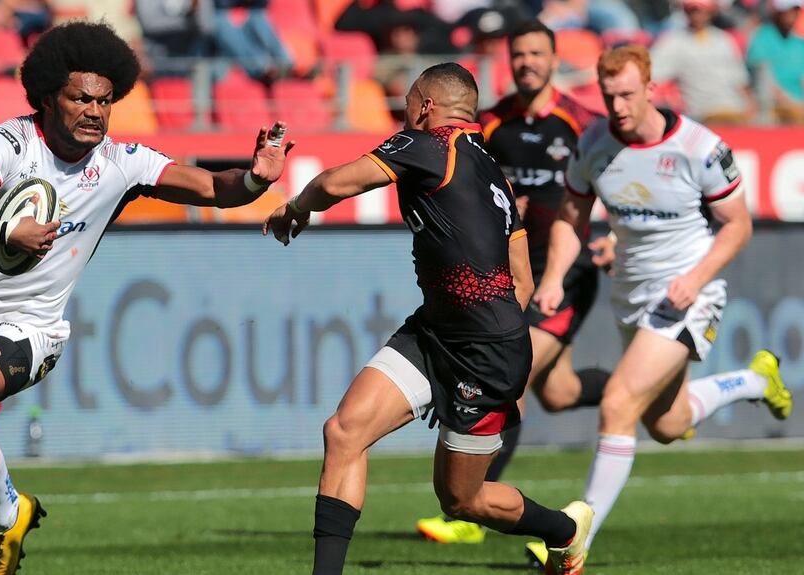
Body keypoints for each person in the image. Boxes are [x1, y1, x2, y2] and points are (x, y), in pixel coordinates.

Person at [0, 21, 293, 575]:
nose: (95, 111)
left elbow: (214, 187)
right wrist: (8, 229)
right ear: (49, 98)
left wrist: (256, 180)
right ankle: (11, 510)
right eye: (81, 99)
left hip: (34, 326)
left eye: (105, 100)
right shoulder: (6, 142)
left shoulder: (122, 162)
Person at [265, 62, 593, 575]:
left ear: (425, 106)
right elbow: (522, 279)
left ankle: (564, 532)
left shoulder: (429, 144)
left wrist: (297, 207)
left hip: (483, 354)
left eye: (407, 103)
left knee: (461, 500)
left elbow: (334, 182)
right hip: (439, 331)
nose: (404, 112)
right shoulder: (493, 172)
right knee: (345, 431)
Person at [534, 45, 793, 555]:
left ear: (652, 88)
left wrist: (696, 278)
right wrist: (554, 277)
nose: (618, 106)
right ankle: (755, 380)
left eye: (628, 94)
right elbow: (571, 216)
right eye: (609, 96)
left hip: (689, 294)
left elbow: (737, 226)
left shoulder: (700, 147)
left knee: (618, 403)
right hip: (631, 294)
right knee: (668, 424)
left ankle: (573, 540)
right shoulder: (593, 143)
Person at [414, 18, 608, 547]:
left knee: (509, 385)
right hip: (510, 278)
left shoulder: (582, 123)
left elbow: (613, 183)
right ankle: (643, 393)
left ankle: (472, 511)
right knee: (560, 392)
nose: (526, 62)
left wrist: (612, 236)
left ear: (554, 60)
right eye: (518, 54)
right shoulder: (491, 126)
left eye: (536, 54)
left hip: (564, 275)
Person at [650, 0, 755, 124]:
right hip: (703, 114)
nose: (697, 15)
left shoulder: (724, 39)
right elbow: (651, 73)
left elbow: (740, 80)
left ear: (710, 12)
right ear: (686, 12)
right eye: (693, 10)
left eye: (701, 10)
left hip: (735, 110)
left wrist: (750, 103)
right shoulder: (674, 42)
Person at [745, 0, 804, 124]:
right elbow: (763, 79)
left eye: (795, 11)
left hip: (798, 105)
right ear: (778, 12)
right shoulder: (762, 38)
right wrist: (790, 103)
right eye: (788, 11)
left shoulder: (799, 43)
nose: (792, 15)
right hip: (771, 106)